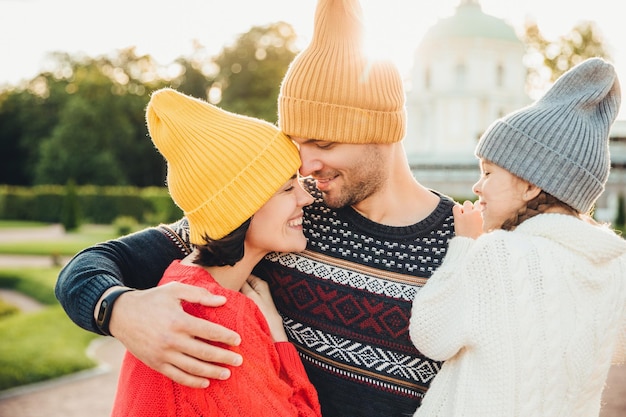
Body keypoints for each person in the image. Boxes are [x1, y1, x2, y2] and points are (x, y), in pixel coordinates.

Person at [55, 0, 456, 415]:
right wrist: (118, 310)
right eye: (299, 144)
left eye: (325, 144)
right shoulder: (284, 216)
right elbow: (92, 265)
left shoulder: (464, 242)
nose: (304, 165)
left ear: (382, 132)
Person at [409, 57, 626, 417]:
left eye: (489, 172)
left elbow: (432, 337)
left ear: (529, 185)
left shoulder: (497, 253)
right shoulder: (614, 268)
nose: (478, 186)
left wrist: (462, 247)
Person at [110, 87, 321, 417]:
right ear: (240, 209)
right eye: (286, 188)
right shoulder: (221, 319)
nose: (306, 198)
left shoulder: (178, 281)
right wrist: (278, 336)